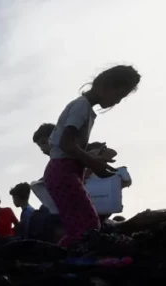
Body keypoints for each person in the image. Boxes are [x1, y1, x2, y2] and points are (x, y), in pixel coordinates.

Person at [43, 65, 141, 247]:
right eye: (118, 96)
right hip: (63, 171)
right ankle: (72, 261)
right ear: (104, 85)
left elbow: (69, 144)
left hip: (64, 171)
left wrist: (95, 158)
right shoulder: (81, 107)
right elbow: (66, 143)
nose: (117, 102)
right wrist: (94, 163)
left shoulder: (84, 108)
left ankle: (63, 259)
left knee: (80, 226)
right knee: (88, 226)